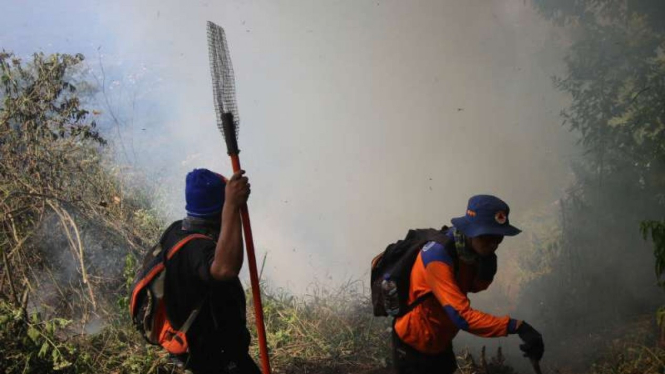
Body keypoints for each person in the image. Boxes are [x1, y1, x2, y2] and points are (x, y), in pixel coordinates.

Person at [392, 195, 544, 374]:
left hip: (440, 341)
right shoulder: (437, 257)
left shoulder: (471, 252)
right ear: (471, 231)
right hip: (413, 344)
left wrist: (486, 268)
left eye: (499, 238)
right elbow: (462, 317)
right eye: (488, 237)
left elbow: (473, 286)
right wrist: (516, 326)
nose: (494, 245)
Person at [161, 168, 260, 374]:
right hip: (212, 359)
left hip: (208, 353)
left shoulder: (176, 230)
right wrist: (232, 206)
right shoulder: (197, 249)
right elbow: (225, 269)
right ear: (219, 210)